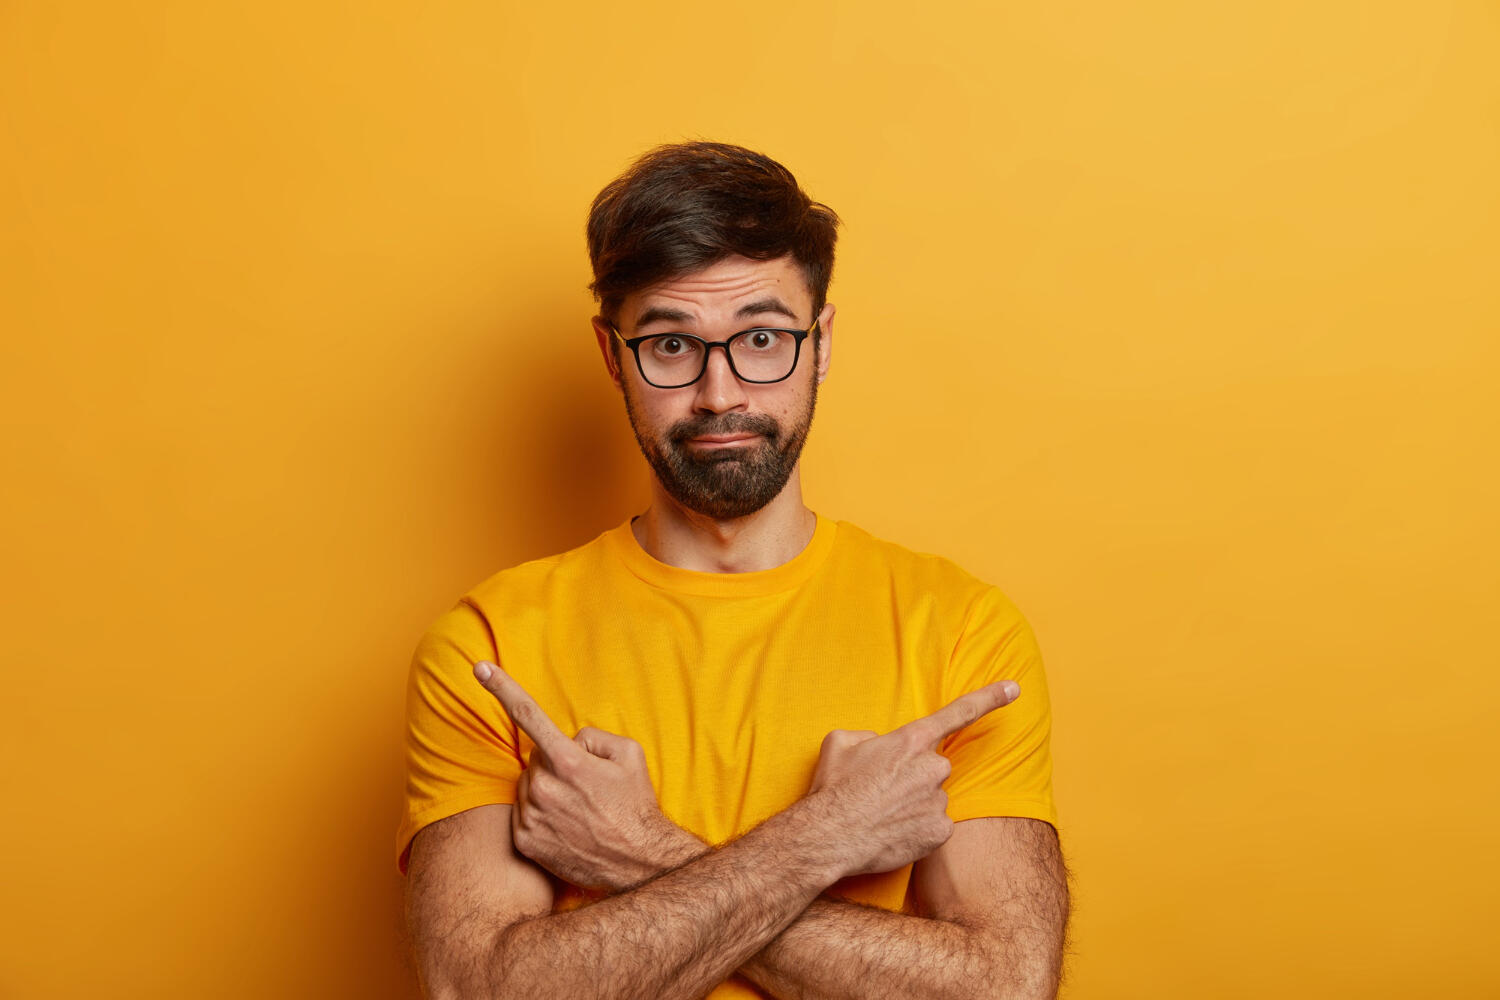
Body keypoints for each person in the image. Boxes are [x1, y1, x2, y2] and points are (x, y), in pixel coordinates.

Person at [397, 140, 1071, 1000]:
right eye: (673, 345)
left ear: (820, 342)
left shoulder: (961, 632)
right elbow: (477, 990)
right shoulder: (490, 648)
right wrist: (830, 837)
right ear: (613, 356)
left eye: (760, 338)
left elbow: (1006, 990)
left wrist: (641, 849)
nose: (721, 395)